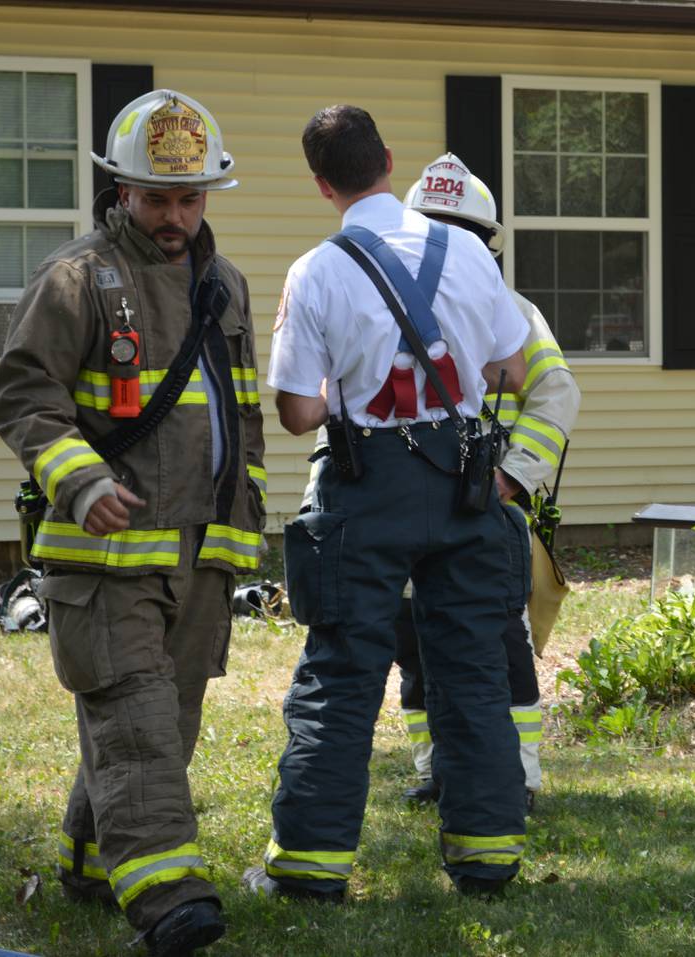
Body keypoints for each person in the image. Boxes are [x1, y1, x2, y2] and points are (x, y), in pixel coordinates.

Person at [0, 89, 265, 956]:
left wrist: (241, 534)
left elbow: (242, 415)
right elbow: (25, 396)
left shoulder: (226, 287)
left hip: (201, 553)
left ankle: (87, 855)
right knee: (137, 717)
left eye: (190, 198)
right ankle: (169, 899)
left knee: (163, 720)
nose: (176, 216)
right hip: (103, 552)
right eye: (157, 198)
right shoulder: (76, 279)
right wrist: (78, 482)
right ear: (120, 192)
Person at [245, 106, 531, 902]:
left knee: (341, 674)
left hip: (367, 486)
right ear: (389, 162)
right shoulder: (470, 255)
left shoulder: (317, 270)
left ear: (322, 184)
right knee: (473, 669)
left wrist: (348, 381)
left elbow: (299, 414)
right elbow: (511, 367)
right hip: (465, 483)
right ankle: (488, 856)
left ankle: (309, 866)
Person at [394, 154, 580, 811]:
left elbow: (556, 391)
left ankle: (519, 775)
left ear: (486, 245)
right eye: (431, 226)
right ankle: (435, 767)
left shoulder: (514, 312)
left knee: (503, 642)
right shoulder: (379, 298)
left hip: (478, 507)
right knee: (413, 639)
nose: (444, 243)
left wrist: (510, 477)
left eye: (459, 231)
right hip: (403, 506)